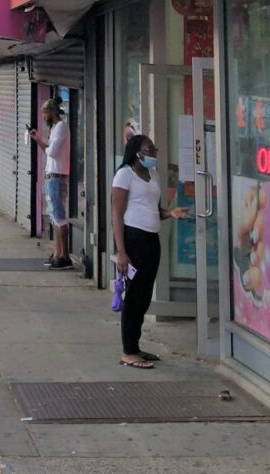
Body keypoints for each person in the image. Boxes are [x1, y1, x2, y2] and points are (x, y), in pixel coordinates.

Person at [110, 134, 190, 369]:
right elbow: (116, 213)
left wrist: (171, 213)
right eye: (149, 149)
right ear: (137, 152)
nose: (154, 152)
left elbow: (154, 209)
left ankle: (135, 346)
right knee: (134, 296)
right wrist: (121, 251)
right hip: (133, 239)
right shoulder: (124, 175)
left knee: (144, 295)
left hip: (151, 239)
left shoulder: (152, 174)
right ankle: (128, 351)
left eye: (154, 148)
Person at [29, 97, 73, 270]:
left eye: (45, 113)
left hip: (57, 175)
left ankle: (65, 256)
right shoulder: (56, 128)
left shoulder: (62, 127)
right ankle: (57, 253)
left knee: (59, 215)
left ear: (52, 113)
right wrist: (39, 139)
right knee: (54, 215)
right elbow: (50, 151)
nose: (43, 117)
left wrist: (39, 141)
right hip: (52, 175)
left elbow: (52, 152)